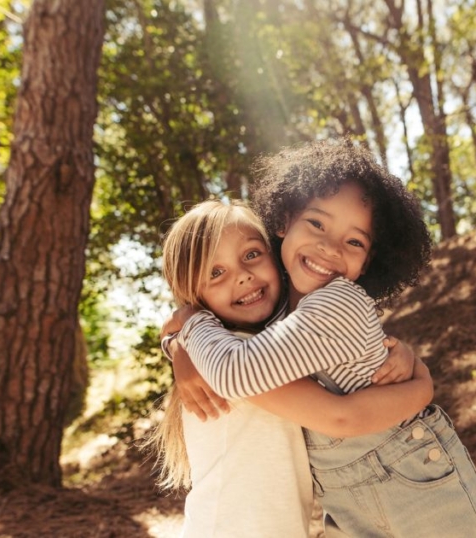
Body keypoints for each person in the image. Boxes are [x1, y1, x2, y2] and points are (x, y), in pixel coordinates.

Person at [166, 140, 476, 537]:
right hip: (351, 501)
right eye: (317, 224)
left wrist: (189, 321)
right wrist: (177, 336)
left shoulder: (336, 302)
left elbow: (241, 372)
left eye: (354, 241)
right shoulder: (276, 316)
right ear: (283, 222)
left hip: (419, 496)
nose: (329, 246)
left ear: (369, 260)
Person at [147, 199, 434, 538]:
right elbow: (341, 416)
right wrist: (423, 385)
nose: (242, 277)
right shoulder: (235, 363)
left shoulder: (264, 348)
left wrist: (404, 355)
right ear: (193, 294)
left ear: (275, 253)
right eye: (216, 272)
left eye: (252, 254)